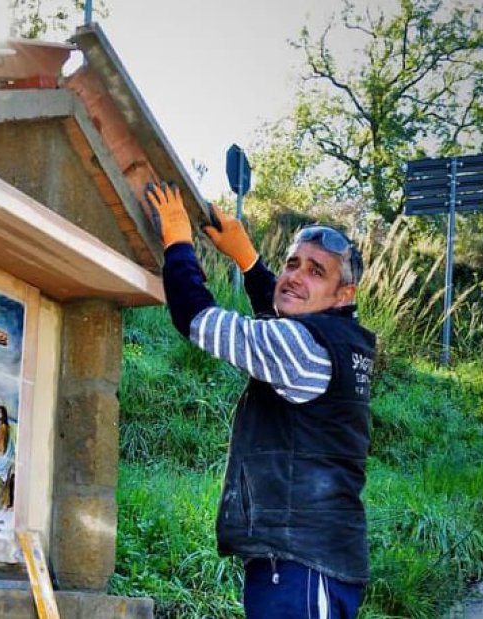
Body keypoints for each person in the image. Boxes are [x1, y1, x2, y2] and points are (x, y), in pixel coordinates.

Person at [145, 182, 376, 619]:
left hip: (301, 563)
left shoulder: (306, 347)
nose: (294, 276)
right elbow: (282, 309)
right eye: (293, 263)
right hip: (310, 559)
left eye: (316, 272)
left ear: (344, 295)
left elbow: (196, 318)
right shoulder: (341, 340)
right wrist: (249, 260)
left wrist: (177, 240)